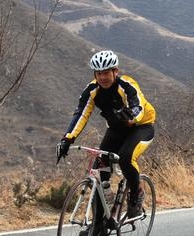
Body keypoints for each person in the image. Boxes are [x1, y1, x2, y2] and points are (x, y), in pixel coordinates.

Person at [56, 50, 155, 220]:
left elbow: (138, 105)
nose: (102, 77)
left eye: (106, 73)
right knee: (100, 170)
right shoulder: (92, 90)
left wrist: (131, 115)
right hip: (116, 130)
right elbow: (81, 114)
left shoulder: (127, 84)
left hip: (141, 127)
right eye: (99, 73)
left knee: (126, 158)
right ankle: (99, 224)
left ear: (115, 72)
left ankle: (136, 193)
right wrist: (67, 138)